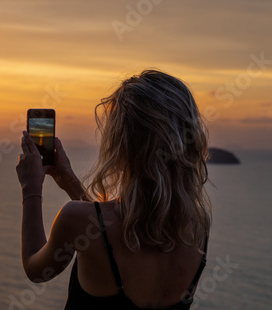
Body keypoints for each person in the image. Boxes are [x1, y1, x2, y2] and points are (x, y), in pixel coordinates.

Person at [15, 69, 211, 309]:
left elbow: (37, 270)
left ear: (122, 143)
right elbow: (105, 228)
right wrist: (68, 180)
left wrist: (31, 187)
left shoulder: (76, 218)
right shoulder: (197, 227)